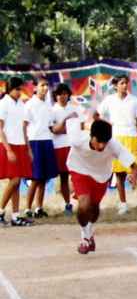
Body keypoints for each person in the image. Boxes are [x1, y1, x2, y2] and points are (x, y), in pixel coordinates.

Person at [65, 118, 137, 254]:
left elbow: (134, 166)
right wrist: (79, 118)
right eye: (99, 141)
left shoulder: (113, 145)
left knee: (94, 207)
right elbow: (71, 121)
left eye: (105, 142)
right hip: (79, 169)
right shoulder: (77, 139)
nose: (101, 146)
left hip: (101, 176)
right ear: (91, 136)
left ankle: (90, 232)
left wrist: (134, 175)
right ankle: (85, 238)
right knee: (84, 204)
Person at [97, 75, 137, 214]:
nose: (124, 85)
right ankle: (123, 205)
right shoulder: (109, 100)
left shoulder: (134, 101)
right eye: (122, 83)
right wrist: (108, 125)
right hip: (117, 138)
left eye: (126, 83)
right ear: (115, 85)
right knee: (119, 174)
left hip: (132, 137)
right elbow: (98, 114)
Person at [0, 77, 32, 227]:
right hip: (8, 145)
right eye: (17, 89)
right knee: (15, 180)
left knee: (17, 183)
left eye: (21, 89)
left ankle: (15, 216)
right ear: (10, 89)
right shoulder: (3, 103)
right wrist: (8, 150)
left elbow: (24, 128)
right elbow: (0, 129)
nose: (20, 92)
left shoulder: (21, 104)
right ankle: (1, 211)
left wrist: (28, 148)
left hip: (21, 145)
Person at [24, 77, 58, 218]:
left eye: (46, 85)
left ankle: (39, 208)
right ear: (35, 88)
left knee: (44, 177)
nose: (45, 88)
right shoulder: (30, 104)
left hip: (47, 141)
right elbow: (24, 126)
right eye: (42, 85)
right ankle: (27, 208)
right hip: (35, 142)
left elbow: (51, 127)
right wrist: (27, 147)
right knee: (35, 177)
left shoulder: (49, 106)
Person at [50, 83, 81, 215]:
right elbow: (54, 130)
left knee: (78, 174)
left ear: (68, 95)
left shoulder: (74, 108)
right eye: (59, 94)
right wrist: (67, 122)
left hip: (74, 145)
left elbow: (79, 127)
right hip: (59, 146)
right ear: (55, 96)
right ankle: (68, 204)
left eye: (65, 94)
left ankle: (78, 199)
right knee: (63, 177)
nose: (62, 96)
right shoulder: (52, 110)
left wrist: (65, 127)